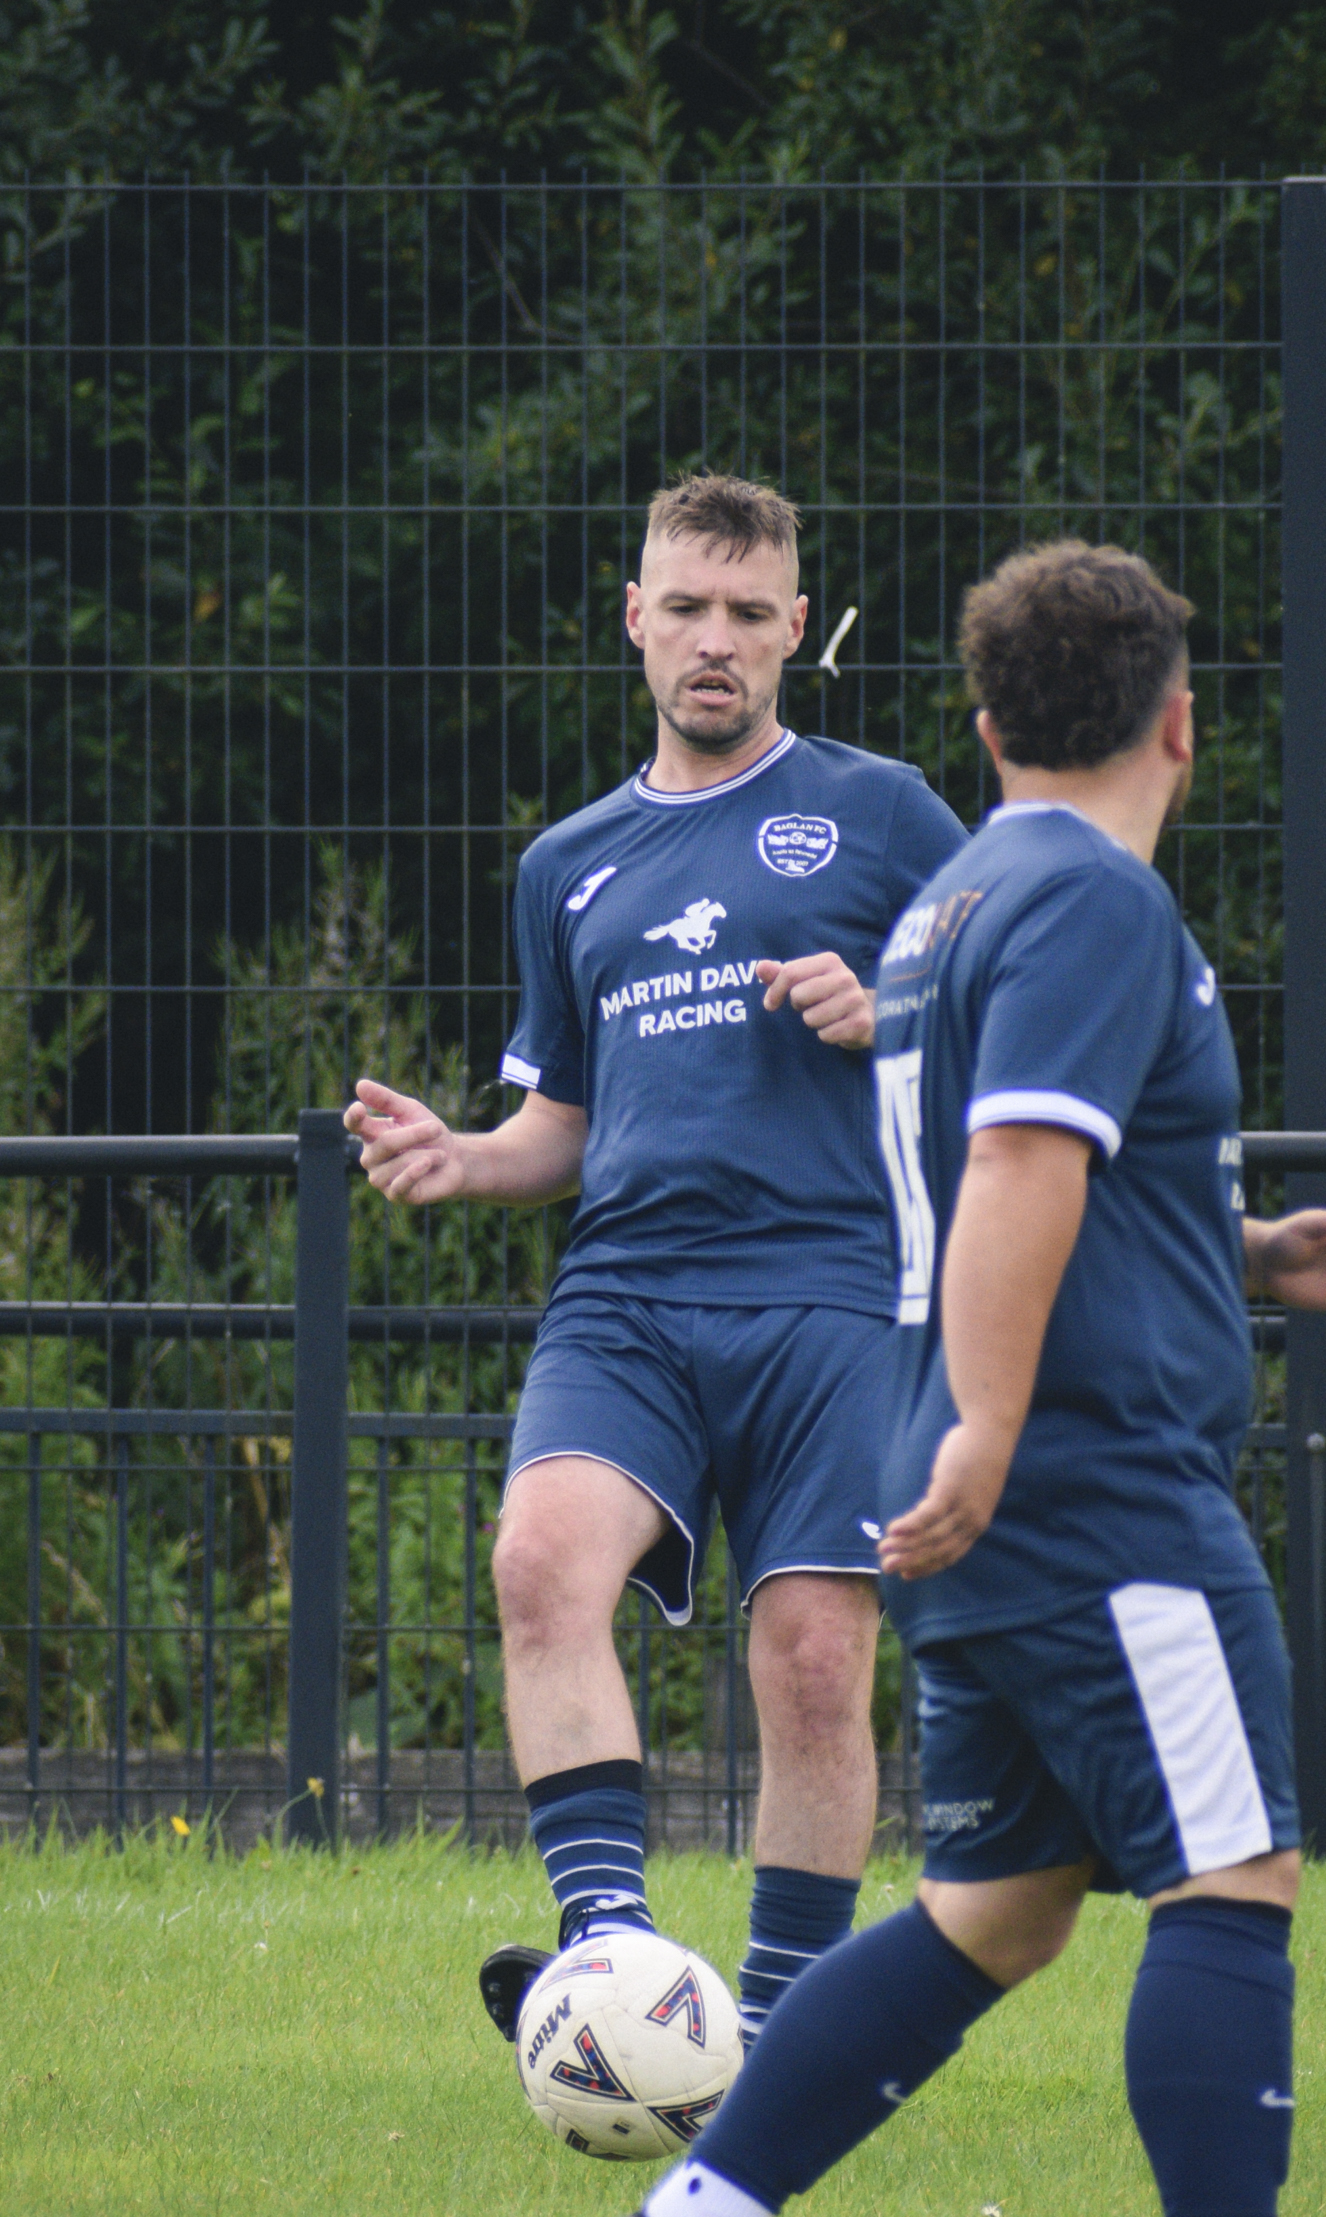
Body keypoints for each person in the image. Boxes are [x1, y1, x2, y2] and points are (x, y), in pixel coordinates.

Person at [582, 539, 1326, 2217]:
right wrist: (1002, 1430)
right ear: (1184, 725)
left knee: (1000, 1908)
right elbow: (1019, 1176)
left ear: (986, 721)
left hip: (980, 1475)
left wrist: (1254, 1256)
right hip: (1092, 1485)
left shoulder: (953, 900)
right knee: (1231, 1869)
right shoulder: (1094, 902)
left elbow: (1023, 1174)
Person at [347, 473, 966, 2050]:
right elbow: (561, 1118)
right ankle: (614, 1969)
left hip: (835, 1289)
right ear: (634, 619)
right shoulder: (568, 861)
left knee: (818, 1658)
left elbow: (1029, 1008)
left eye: (750, 615)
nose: (715, 641)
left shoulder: (888, 809)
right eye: (685, 607)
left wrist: (895, 1009)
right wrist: (463, 1155)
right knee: (538, 1566)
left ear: (796, 632)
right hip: (625, 1293)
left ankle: (773, 2032)